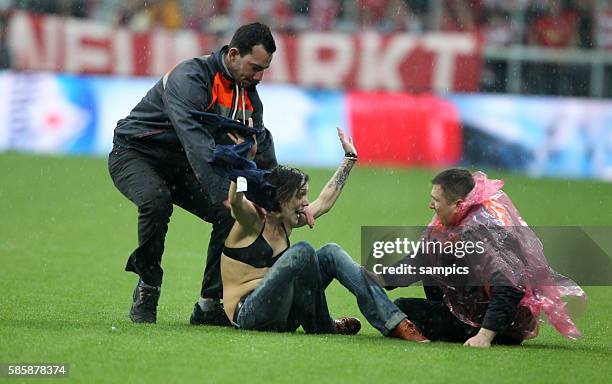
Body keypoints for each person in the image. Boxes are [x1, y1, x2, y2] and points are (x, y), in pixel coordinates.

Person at [108, 22, 278, 325]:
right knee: (157, 202)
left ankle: (209, 305)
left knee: (230, 216)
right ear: (234, 53)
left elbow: (261, 147)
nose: (258, 77)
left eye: (264, 70)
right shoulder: (190, 77)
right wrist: (222, 192)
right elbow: (196, 143)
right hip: (136, 154)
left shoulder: (249, 95)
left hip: (183, 167)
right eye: (254, 68)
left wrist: (280, 199)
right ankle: (148, 285)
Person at [219, 128, 428, 341]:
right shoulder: (253, 221)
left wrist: (350, 158)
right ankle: (326, 324)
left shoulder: (287, 221)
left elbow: (325, 202)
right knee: (303, 251)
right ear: (282, 197)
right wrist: (244, 162)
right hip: (248, 315)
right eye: (300, 195)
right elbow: (236, 201)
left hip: (283, 315)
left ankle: (395, 322)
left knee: (331, 253)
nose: (306, 203)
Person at [384, 168, 586, 347]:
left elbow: (511, 285)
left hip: (498, 324)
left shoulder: (478, 232)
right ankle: (453, 316)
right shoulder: (467, 216)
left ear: (458, 204)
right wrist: (378, 279)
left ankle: (471, 327)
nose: (431, 205)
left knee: (400, 309)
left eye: (436, 200)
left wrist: (485, 336)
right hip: (491, 310)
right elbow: (421, 259)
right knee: (436, 261)